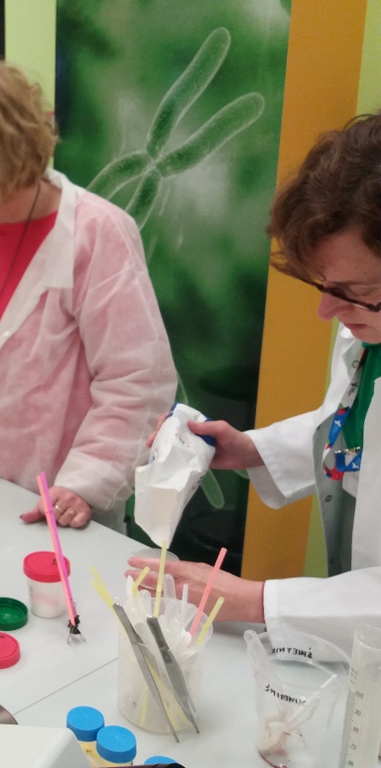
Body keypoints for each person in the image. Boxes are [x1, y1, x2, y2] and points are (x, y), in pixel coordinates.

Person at [128, 112, 381, 653]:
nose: (326, 311)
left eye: (355, 292)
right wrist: (251, 450)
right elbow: (354, 429)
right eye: (324, 285)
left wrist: (257, 601)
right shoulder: (368, 332)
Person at [0, 58, 177, 532]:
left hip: (60, 506)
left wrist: (86, 482)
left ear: (11, 147)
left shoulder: (97, 234)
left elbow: (135, 380)